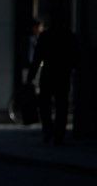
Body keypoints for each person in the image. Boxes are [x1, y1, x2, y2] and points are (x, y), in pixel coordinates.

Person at [26, 12, 77, 145]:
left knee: (45, 105)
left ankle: (48, 130)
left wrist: (30, 77)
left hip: (48, 74)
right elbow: (75, 58)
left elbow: (37, 58)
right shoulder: (69, 36)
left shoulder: (45, 36)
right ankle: (59, 134)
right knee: (62, 105)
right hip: (63, 75)